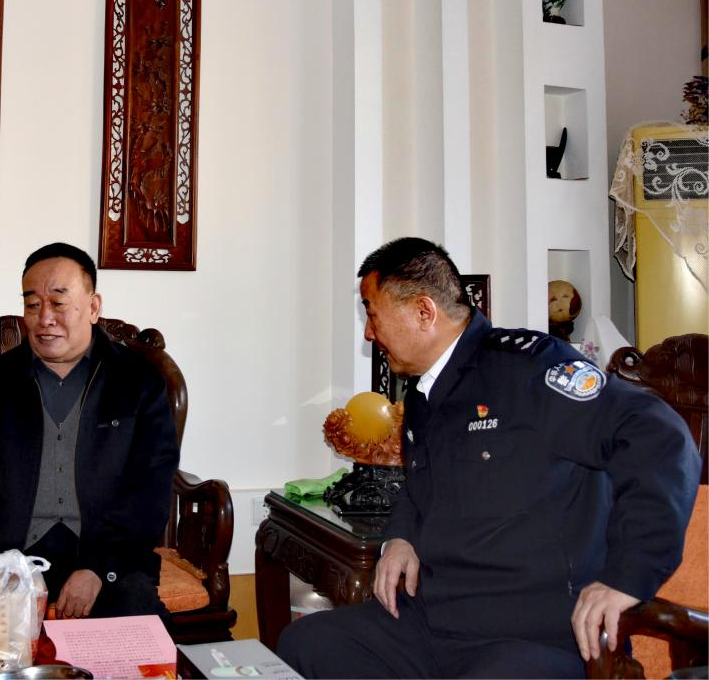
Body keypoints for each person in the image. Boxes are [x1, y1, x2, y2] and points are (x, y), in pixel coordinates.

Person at [277, 237, 699, 679]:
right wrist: (400, 537)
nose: (368, 332)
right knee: (308, 643)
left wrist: (627, 577)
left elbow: (660, 437)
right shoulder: (425, 392)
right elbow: (422, 485)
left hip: (531, 635)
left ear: (424, 311)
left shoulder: (531, 369)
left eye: (372, 313)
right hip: (435, 623)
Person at [0, 242, 179, 638]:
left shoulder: (136, 382)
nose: (44, 319)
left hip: (106, 555)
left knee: (137, 630)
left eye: (59, 303)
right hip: (6, 557)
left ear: (93, 307)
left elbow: (149, 489)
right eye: (32, 305)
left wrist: (99, 567)